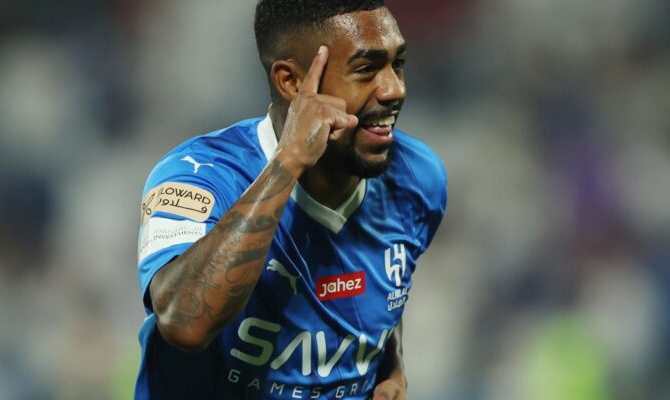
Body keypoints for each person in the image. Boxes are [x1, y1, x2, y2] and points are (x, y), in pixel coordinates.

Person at [133, 1, 446, 399]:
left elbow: (384, 287)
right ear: (293, 83)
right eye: (367, 69)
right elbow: (184, 323)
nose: (394, 89)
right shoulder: (200, 178)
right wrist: (290, 160)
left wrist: (392, 363)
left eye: (396, 64)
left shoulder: (416, 178)